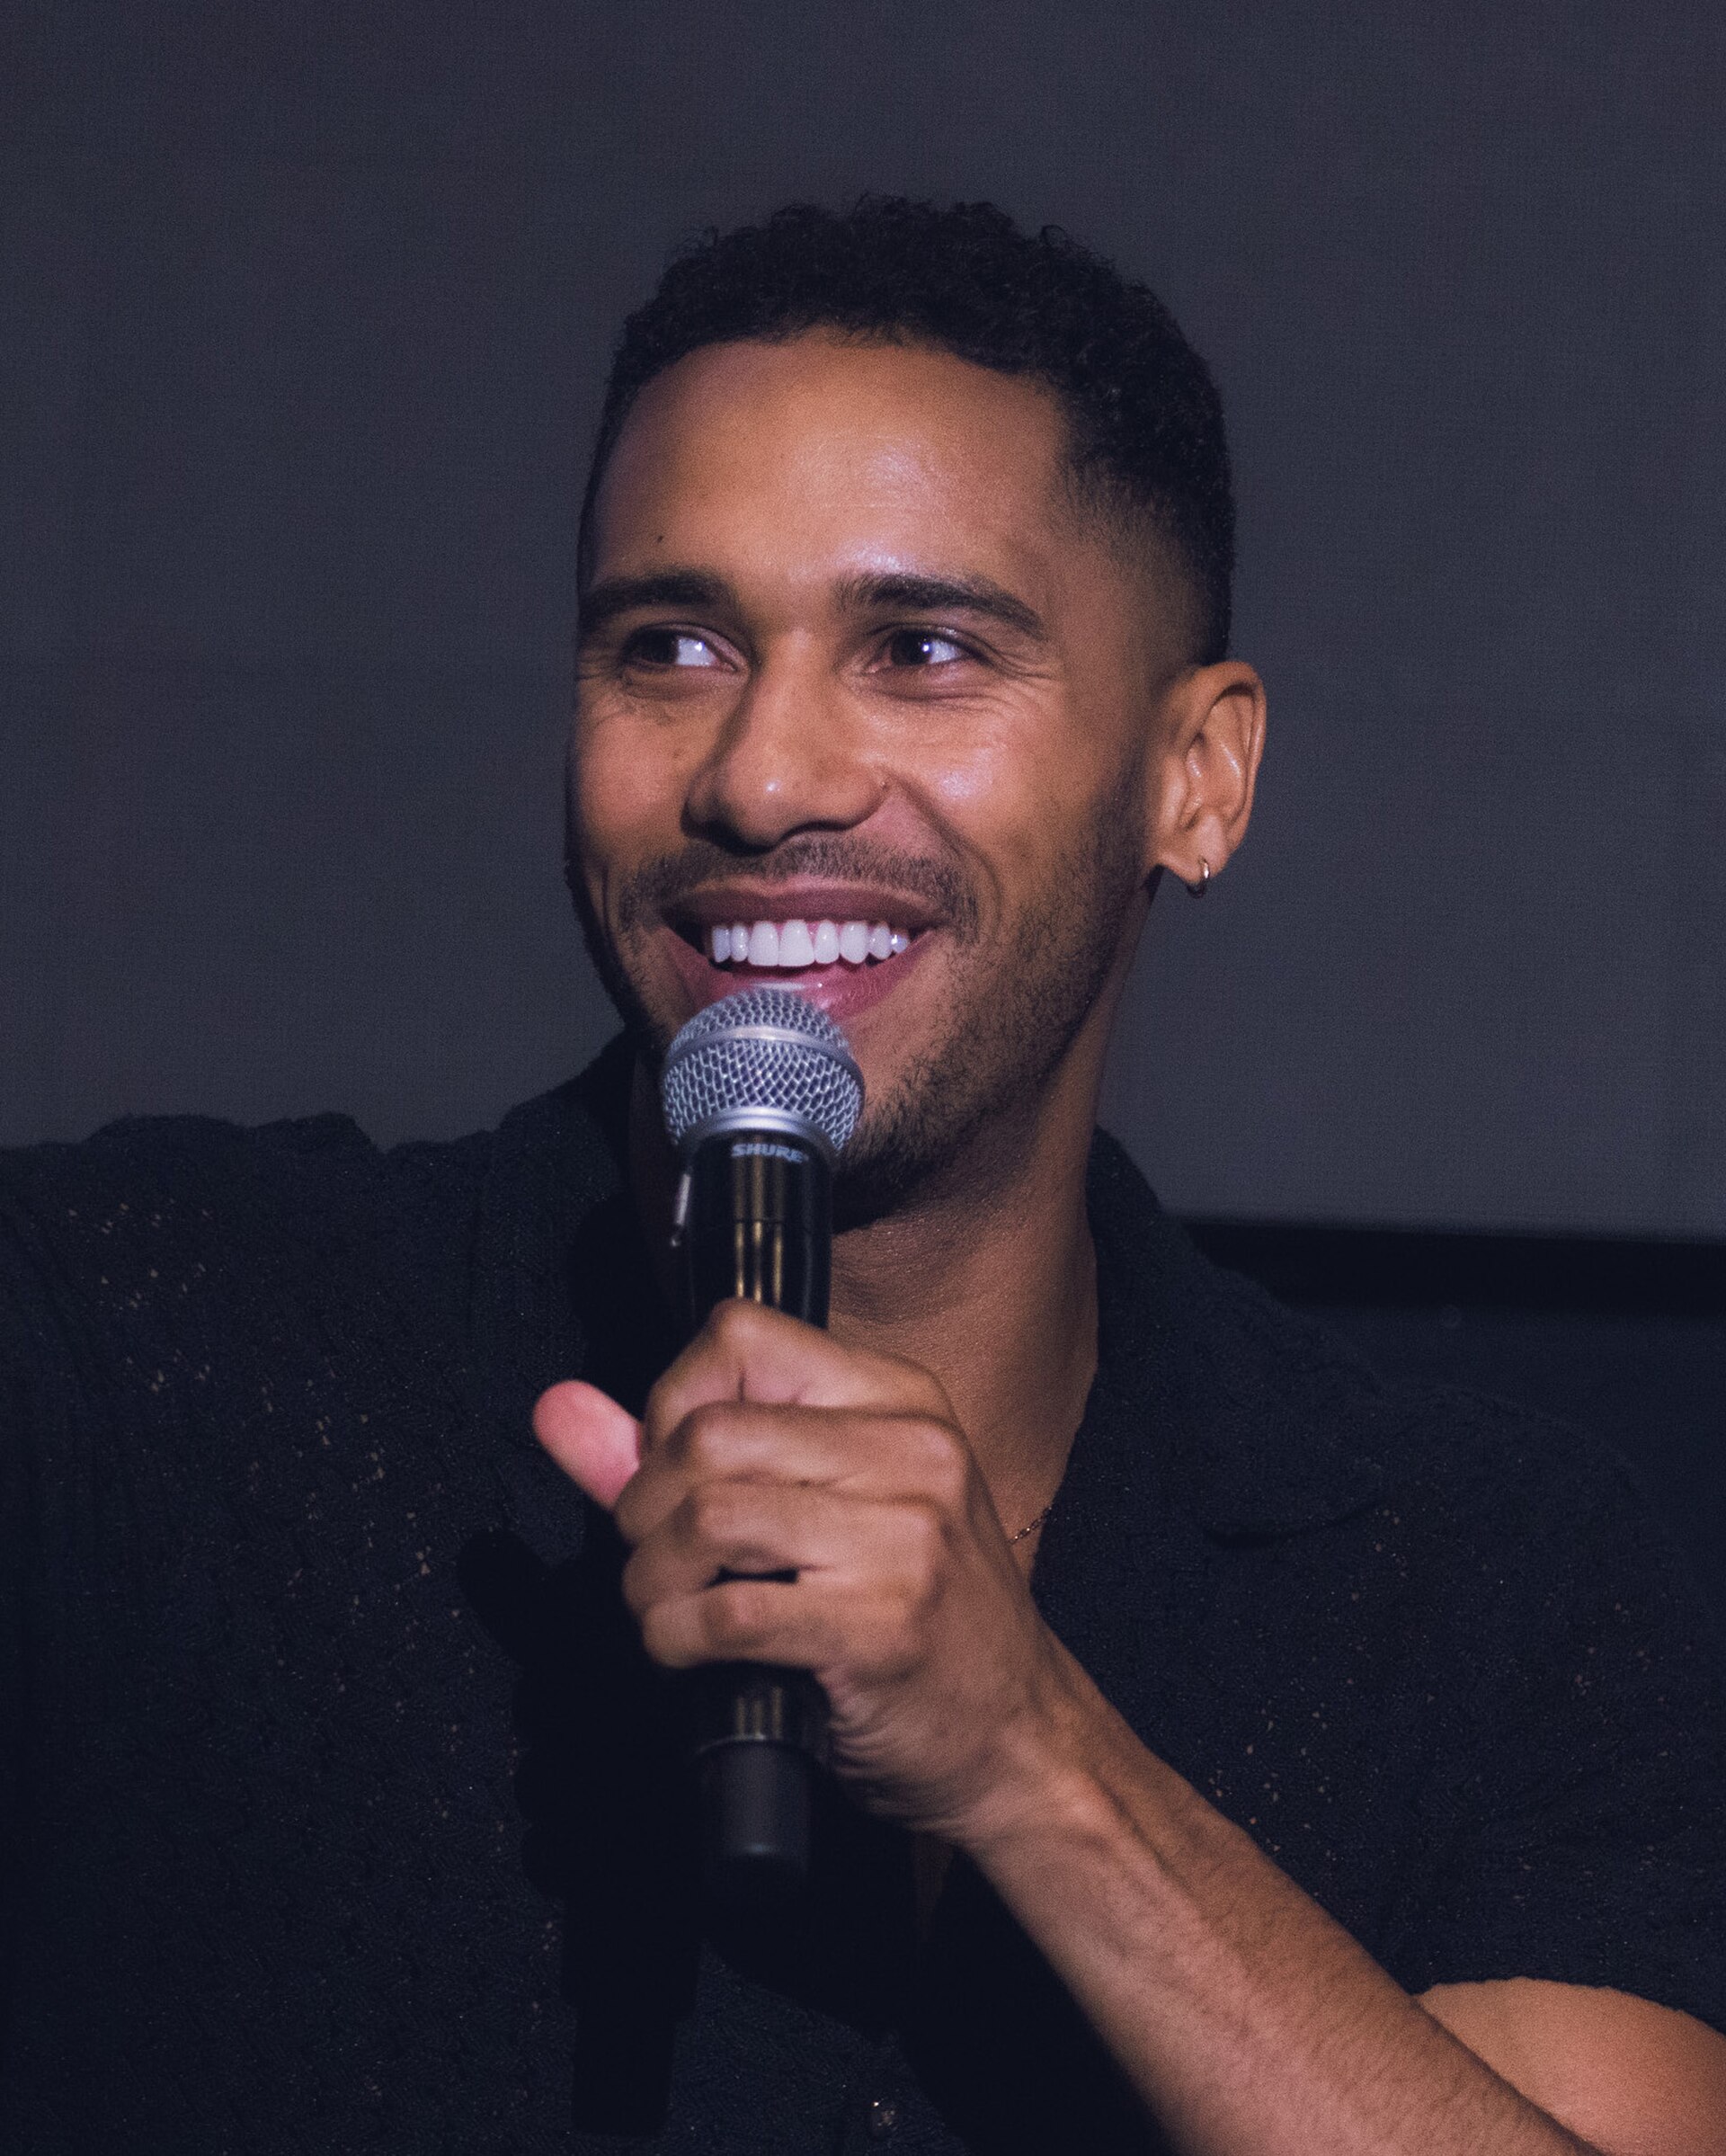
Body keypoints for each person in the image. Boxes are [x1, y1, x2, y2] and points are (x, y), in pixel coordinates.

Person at [2, 199, 1722, 2154]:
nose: (760, 772)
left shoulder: (1475, 1580)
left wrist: (1031, 1754)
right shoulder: (167, 1349)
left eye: (919, 648)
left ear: (1199, 777)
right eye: (670, 642)